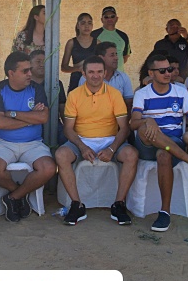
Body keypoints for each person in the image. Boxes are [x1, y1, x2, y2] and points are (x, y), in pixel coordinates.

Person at [129, 53, 188, 232]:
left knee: (164, 153)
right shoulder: (142, 94)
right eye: (162, 70)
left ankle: (165, 212)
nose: (168, 73)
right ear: (151, 73)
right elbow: (133, 122)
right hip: (148, 144)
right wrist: (149, 121)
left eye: (170, 69)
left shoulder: (180, 91)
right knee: (144, 128)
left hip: (173, 145)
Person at [56, 55, 138, 227]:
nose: (95, 76)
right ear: (84, 74)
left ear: (105, 73)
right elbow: (68, 128)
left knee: (131, 154)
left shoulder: (114, 94)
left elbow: (124, 128)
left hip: (110, 140)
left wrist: (112, 149)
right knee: (61, 155)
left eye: (99, 72)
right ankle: (77, 205)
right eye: (91, 72)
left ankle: (119, 204)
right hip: (82, 139)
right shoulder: (74, 95)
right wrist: (82, 147)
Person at [0, 52, 56, 222]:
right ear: (11, 73)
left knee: (49, 168)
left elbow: (43, 118)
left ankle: (13, 197)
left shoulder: (36, 88)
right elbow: (0, 123)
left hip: (33, 143)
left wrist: (13, 114)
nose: (30, 74)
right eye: (25, 71)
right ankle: (19, 193)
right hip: (3, 143)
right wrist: (29, 118)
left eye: (30, 70)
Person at [30, 49, 66, 140]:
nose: (42, 65)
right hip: (30, 124)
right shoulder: (24, 84)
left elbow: (62, 108)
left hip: (54, 124)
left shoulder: (57, 84)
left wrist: (67, 126)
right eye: (38, 62)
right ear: (29, 64)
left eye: (45, 62)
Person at [94, 41, 134, 113]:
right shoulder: (86, 78)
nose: (116, 58)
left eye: (116, 54)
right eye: (112, 55)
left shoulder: (123, 77)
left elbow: (129, 104)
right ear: (100, 58)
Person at [60, 12, 96, 91]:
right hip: (76, 80)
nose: (86, 26)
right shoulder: (71, 43)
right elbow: (63, 67)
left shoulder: (98, 43)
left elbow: (102, 64)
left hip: (93, 80)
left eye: (89, 23)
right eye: (83, 23)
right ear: (78, 25)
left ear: (92, 26)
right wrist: (77, 68)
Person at [91, 6, 131, 72]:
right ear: (102, 19)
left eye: (112, 16)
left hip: (119, 76)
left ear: (117, 18)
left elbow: (125, 57)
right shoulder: (94, 35)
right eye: (106, 17)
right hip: (100, 76)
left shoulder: (123, 36)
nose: (109, 19)